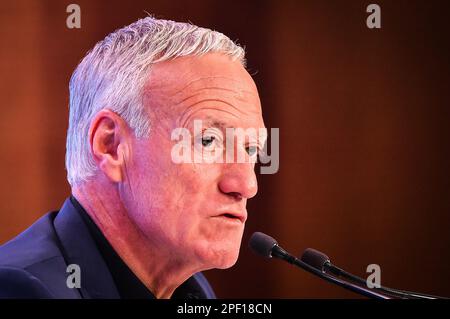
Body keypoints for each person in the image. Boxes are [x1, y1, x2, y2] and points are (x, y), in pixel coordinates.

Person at [0, 16, 266, 299]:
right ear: (111, 146)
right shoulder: (21, 289)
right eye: (208, 141)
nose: (246, 185)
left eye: (251, 149)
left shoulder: (193, 290)